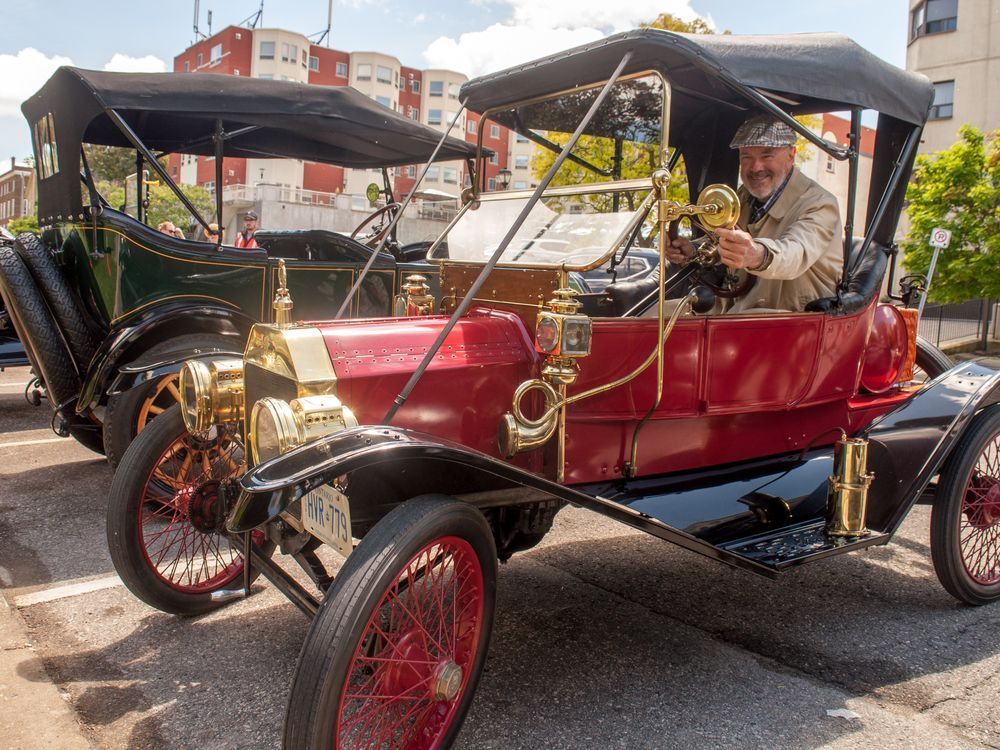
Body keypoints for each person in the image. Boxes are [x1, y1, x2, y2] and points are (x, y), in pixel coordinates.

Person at [667, 115, 842, 313]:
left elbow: (795, 253)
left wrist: (758, 255)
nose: (756, 167)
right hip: (736, 309)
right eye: (747, 157)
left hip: (790, 317)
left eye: (767, 156)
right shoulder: (742, 197)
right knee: (657, 316)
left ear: (791, 155)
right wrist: (693, 250)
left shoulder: (819, 203)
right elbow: (721, 240)